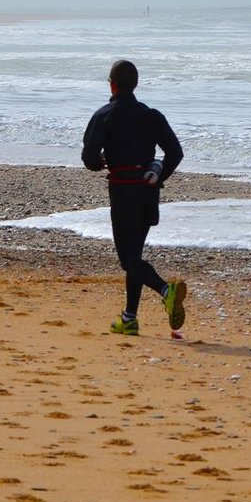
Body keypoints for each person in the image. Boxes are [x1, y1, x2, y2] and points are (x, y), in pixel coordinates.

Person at [81, 59, 188, 337]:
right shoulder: (152, 115)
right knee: (135, 255)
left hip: (122, 191)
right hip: (148, 192)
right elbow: (175, 153)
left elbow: (89, 158)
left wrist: (102, 161)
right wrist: (158, 172)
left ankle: (166, 290)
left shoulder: (104, 115)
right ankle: (129, 318)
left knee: (128, 260)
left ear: (112, 84)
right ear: (135, 84)